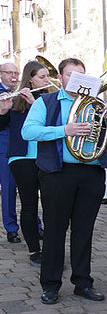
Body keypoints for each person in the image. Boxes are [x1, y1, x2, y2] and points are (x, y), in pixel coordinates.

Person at [22, 58, 107, 305]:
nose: (77, 80)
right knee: (54, 230)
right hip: (57, 173)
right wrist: (64, 130)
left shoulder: (97, 104)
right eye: (71, 75)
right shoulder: (46, 102)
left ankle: (83, 282)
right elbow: (28, 132)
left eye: (82, 75)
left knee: (84, 231)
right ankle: (50, 284)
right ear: (60, 78)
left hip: (91, 173)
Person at [0, 61, 50, 265]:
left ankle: (50, 247)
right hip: (22, 158)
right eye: (42, 77)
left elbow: (53, 125)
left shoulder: (49, 99)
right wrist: (3, 112)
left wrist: (34, 104)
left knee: (51, 205)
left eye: (47, 76)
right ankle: (33, 251)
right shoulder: (17, 99)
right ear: (30, 79)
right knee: (29, 204)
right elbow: (7, 127)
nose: (47, 80)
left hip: (46, 157)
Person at [0, 61, 20, 243]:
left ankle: (34, 225)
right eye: (9, 73)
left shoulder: (22, 91)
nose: (14, 77)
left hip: (22, 146)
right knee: (9, 189)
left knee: (28, 188)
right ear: (1, 74)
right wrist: (3, 111)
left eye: (16, 73)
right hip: (4, 147)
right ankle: (11, 228)